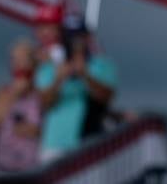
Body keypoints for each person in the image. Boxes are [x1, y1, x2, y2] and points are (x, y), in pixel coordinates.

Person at [36, 13, 116, 162]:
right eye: (70, 37)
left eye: (79, 37)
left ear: (88, 38)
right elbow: (45, 103)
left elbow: (106, 98)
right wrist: (59, 79)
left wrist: (85, 75)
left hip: (91, 143)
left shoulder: (102, 65)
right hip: (56, 144)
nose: (74, 42)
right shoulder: (49, 68)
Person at [0, 39, 41, 173]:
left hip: (33, 168)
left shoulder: (41, 93)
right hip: (4, 167)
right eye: (14, 59)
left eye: (23, 59)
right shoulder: (4, 91)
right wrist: (14, 94)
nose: (18, 64)